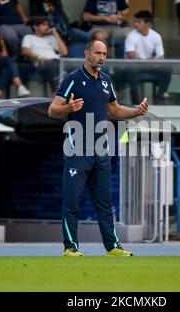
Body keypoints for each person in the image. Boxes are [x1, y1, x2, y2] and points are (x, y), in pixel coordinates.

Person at [48, 39, 149, 257]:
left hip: (101, 149)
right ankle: (70, 247)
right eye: (97, 53)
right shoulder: (72, 79)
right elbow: (52, 110)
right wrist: (68, 107)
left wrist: (136, 112)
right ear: (87, 54)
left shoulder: (106, 81)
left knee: (105, 202)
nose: (101, 57)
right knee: (72, 201)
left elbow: (114, 109)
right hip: (78, 149)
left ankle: (112, 247)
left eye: (104, 53)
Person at [123, 10, 172, 104]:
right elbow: (131, 55)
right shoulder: (131, 36)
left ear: (148, 24)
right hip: (135, 66)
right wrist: (147, 61)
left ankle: (159, 98)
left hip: (149, 65)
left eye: (139, 22)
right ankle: (136, 103)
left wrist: (156, 62)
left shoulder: (156, 36)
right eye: (135, 21)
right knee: (131, 70)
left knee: (167, 68)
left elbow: (161, 56)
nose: (135, 24)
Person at [21, 17, 68, 96]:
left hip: (58, 61)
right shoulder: (29, 37)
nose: (47, 27)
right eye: (44, 25)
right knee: (53, 65)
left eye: (47, 25)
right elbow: (25, 50)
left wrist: (56, 34)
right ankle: (56, 93)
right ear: (35, 27)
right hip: (42, 63)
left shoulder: (51, 38)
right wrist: (39, 58)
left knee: (75, 67)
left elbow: (64, 52)